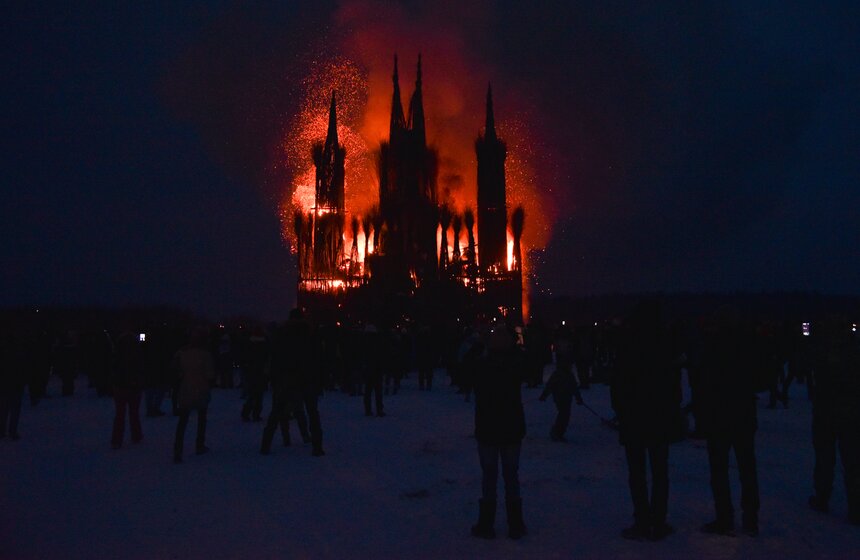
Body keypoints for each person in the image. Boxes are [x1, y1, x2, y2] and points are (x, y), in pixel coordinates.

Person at [610, 302, 681, 541]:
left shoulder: (627, 344)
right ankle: (658, 521)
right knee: (660, 472)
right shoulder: (665, 345)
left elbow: (618, 383)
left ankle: (642, 520)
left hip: (634, 419)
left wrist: (621, 412)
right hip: (659, 418)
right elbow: (674, 386)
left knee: (637, 472)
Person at [696, 308, 760, 536]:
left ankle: (725, 517)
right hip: (742, 414)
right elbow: (759, 378)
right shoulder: (747, 346)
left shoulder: (713, 347)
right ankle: (750, 518)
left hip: (719, 416)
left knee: (720, 470)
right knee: (747, 468)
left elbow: (704, 382)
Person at [471, 327, 527, 540]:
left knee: (489, 476)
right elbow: (528, 366)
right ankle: (515, 524)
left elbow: (465, 372)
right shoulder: (515, 364)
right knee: (511, 475)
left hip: (487, 427)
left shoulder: (482, 365)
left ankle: (486, 524)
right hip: (512, 426)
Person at [807, 317, 860, 525]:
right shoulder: (854, 352)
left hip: (826, 412)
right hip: (852, 413)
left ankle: (822, 498)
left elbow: (809, 367)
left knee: (825, 458)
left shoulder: (823, 351)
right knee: (853, 462)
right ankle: (855, 507)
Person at [262, 309, 324, 456]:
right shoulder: (310, 334)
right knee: (312, 413)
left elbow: (275, 357)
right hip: (307, 377)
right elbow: (318, 358)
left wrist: (274, 377)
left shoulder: (281, 334)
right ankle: (317, 446)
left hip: (286, 377)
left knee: (276, 411)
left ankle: (265, 445)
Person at [173, 328, 215, 463]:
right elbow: (210, 374)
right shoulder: (205, 355)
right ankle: (199, 445)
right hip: (201, 389)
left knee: (182, 422)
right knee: (202, 419)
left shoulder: (181, 353)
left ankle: (177, 450)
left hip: (185, 389)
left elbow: (175, 370)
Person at [540, 326, 583, 442]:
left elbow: (574, 387)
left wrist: (578, 398)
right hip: (560, 397)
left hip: (565, 397)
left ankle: (558, 432)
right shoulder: (560, 374)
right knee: (564, 415)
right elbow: (550, 385)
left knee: (564, 415)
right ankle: (557, 432)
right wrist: (544, 395)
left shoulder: (568, 375)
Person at [110, 331, 144, 449]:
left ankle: (117, 439)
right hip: (133, 386)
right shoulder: (137, 355)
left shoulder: (116, 355)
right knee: (134, 412)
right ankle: (136, 435)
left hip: (120, 385)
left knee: (120, 413)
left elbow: (113, 368)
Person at [0, 328, 26, 441]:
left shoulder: (3, 354)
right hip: (15, 385)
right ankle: (12, 431)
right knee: (14, 410)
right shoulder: (19, 354)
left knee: (3, 409)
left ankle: (2, 431)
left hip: (5, 385)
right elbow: (23, 370)